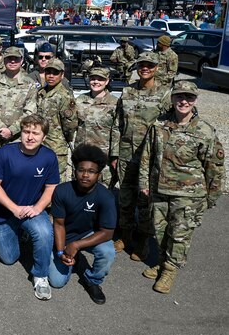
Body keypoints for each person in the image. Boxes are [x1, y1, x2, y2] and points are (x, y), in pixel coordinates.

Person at [138, 81, 225, 294]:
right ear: (173, 98)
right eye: (179, 97)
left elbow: (214, 167)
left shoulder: (204, 130)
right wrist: (144, 183)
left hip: (188, 195)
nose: (183, 101)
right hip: (159, 190)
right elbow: (146, 155)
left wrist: (211, 197)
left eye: (189, 97)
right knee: (160, 230)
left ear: (195, 100)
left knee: (179, 234)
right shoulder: (159, 124)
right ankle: (161, 260)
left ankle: (170, 269)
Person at [0, 114, 59, 301]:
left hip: (30, 210)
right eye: (26, 131)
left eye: (36, 133)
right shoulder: (4, 153)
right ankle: (20, 232)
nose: (30, 137)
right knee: (10, 259)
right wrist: (13, 208)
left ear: (44, 137)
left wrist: (38, 208)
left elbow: (51, 188)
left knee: (44, 233)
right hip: (4, 212)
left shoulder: (49, 157)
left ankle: (40, 275)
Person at [111, 52, 171, 261]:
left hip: (150, 157)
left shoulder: (165, 94)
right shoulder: (127, 92)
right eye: (142, 65)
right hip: (127, 154)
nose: (145, 68)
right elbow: (118, 124)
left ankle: (143, 241)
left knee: (145, 200)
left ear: (156, 68)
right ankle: (126, 236)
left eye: (149, 65)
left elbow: (171, 125)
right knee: (125, 198)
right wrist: (114, 152)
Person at [48, 144, 117, 304]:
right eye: (81, 170)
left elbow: (107, 232)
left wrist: (77, 245)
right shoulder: (62, 191)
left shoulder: (106, 197)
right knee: (57, 282)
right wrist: (61, 252)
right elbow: (58, 224)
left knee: (108, 251)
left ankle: (92, 280)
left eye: (91, 171)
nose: (85, 175)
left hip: (88, 235)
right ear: (75, 171)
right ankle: (73, 259)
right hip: (65, 234)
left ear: (99, 174)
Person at [0, 46, 37, 146]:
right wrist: (0, 128)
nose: (12, 61)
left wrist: (12, 130)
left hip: (18, 138)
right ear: (4, 60)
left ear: (22, 60)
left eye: (16, 58)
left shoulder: (30, 84)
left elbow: (30, 112)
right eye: (9, 58)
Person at [74, 66, 119, 187]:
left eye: (100, 79)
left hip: (103, 156)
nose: (96, 82)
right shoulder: (80, 100)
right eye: (93, 78)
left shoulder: (115, 103)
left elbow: (117, 130)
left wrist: (115, 156)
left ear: (107, 81)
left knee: (101, 191)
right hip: (82, 154)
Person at [36, 58, 78, 179]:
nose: (51, 76)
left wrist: (62, 139)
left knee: (56, 179)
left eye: (55, 73)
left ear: (62, 75)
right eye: (48, 72)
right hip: (40, 144)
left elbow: (70, 125)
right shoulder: (41, 93)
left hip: (56, 146)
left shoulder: (64, 96)